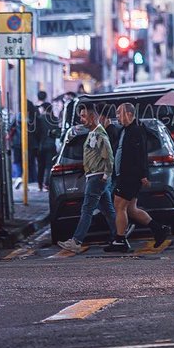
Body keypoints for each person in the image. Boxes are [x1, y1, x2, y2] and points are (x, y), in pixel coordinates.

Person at [106, 102, 171, 252]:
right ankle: (159, 229)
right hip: (125, 175)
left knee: (119, 205)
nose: (117, 117)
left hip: (130, 175)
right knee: (131, 209)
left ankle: (120, 240)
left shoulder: (136, 130)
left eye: (119, 113)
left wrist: (143, 175)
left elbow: (141, 154)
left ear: (129, 114)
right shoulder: (125, 130)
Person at [58, 103, 117, 251]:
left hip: (97, 177)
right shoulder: (92, 133)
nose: (81, 119)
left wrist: (106, 175)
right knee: (108, 210)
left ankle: (76, 241)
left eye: (84, 116)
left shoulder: (99, 134)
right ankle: (120, 234)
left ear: (92, 117)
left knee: (87, 209)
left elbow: (109, 156)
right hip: (94, 176)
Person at [35, 102, 59, 191]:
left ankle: (40, 185)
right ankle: (46, 184)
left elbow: (37, 133)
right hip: (51, 145)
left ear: (44, 109)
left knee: (41, 166)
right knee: (49, 166)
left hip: (41, 145)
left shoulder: (39, 118)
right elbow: (57, 133)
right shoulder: (55, 119)